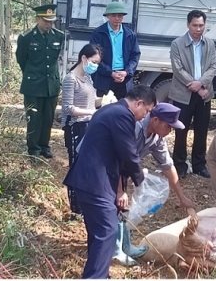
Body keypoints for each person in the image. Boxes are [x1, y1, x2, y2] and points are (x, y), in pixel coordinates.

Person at [63, 85, 156, 278]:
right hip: (95, 181)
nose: (144, 116)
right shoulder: (123, 115)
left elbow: (117, 155)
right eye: (146, 111)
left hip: (89, 180)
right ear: (138, 103)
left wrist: (121, 189)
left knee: (99, 233)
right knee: (107, 231)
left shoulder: (110, 109)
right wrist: (141, 181)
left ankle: (99, 274)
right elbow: (128, 153)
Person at [113, 102, 196, 265]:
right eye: (168, 126)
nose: (170, 131)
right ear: (156, 120)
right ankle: (115, 251)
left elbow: (167, 165)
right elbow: (115, 159)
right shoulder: (133, 127)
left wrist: (182, 197)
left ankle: (126, 245)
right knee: (112, 204)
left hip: (122, 170)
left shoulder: (157, 137)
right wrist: (120, 190)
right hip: (106, 167)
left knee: (123, 207)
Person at [169, 9, 216, 179]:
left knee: (202, 130)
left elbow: (213, 66)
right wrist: (196, 85)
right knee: (181, 130)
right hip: (183, 94)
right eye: (195, 25)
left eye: (201, 25)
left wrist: (202, 84)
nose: (198, 29)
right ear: (188, 24)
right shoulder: (177, 44)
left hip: (204, 94)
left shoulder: (210, 44)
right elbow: (178, 69)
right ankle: (180, 164)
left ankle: (199, 164)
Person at [15, 4, 64, 161]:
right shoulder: (27, 37)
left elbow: (55, 60)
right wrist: (32, 75)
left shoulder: (58, 36)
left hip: (52, 85)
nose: (49, 24)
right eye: (45, 21)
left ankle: (44, 146)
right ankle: (33, 149)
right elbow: (22, 60)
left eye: (51, 21)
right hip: (33, 85)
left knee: (48, 117)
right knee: (34, 118)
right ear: (38, 19)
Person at [61, 43, 103, 215]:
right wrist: (92, 112)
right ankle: (75, 207)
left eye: (98, 63)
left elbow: (91, 101)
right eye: (94, 61)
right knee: (76, 166)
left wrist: (104, 101)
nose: (96, 65)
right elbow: (68, 108)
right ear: (84, 58)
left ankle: (84, 204)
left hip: (88, 124)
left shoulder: (87, 78)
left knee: (88, 165)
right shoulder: (71, 79)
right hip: (75, 126)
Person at [90, 1, 141, 100]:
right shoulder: (98, 33)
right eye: (113, 15)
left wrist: (126, 72)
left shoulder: (130, 35)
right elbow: (93, 57)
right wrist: (111, 73)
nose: (117, 18)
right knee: (102, 111)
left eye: (120, 15)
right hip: (104, 79)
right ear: (107, 16)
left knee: (123, 111)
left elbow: (135, 56)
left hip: (124, 80)